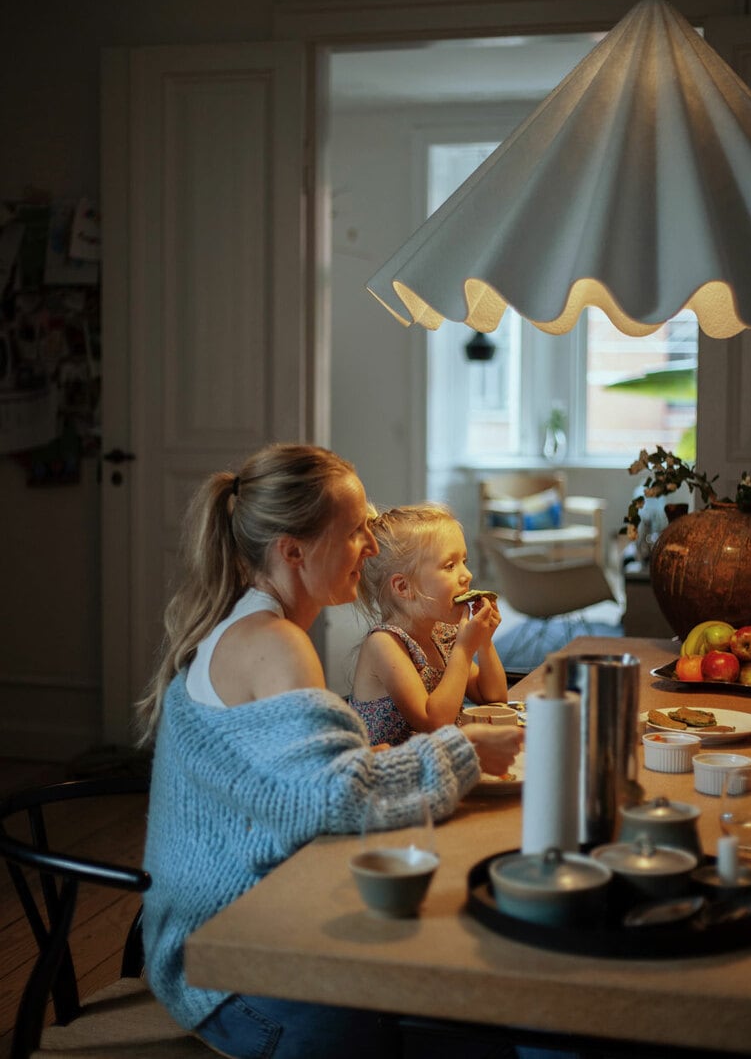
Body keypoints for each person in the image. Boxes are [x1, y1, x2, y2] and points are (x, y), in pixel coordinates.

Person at [137, 443, 522, 1059]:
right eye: (356, 530)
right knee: (485, 1025)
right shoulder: (273, 644)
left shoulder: (255, 624)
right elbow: (340, 797)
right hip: (233, 973)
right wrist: (465, 749)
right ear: (293, 551)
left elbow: (322, 783)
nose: (371, 546)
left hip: (242, 934)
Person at [349, 503, 508, 746]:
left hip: (437, 768)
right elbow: (433, 723)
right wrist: (464, 650)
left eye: (464, 561)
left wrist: (484, 642)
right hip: (393, 778)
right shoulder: (384, 644)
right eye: (449, 566)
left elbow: (494, 700)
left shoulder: (441, 633)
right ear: (404, 587)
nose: (467, 575)